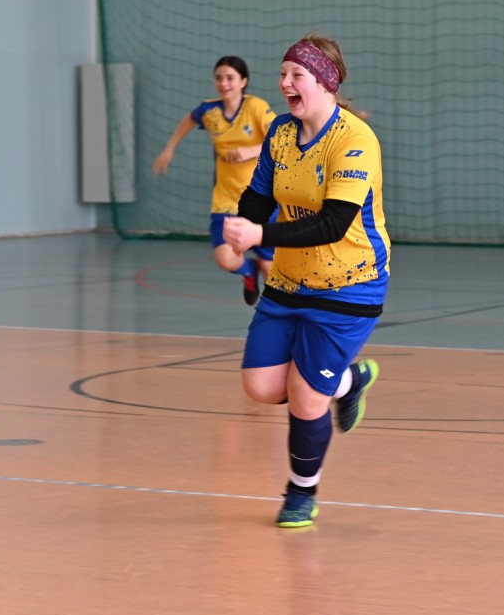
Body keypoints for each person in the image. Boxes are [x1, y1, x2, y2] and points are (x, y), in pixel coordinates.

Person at [223, 33, 390, 528]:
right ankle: (349, 380)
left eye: (297, 74)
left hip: (349, 284)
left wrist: (261, 234)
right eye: (282, 74)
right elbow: (259, 195)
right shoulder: (281, 132)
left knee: (305, 395)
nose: (285, 83)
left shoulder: (355, 140)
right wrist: (242, 225)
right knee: (260, 386)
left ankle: (301, 492)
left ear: (326, 82)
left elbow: (333, 224)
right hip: (290, 281)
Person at [153, 56, 276, 305]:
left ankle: (276, 319)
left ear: (243, 81)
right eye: (219, 78)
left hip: (262, 198)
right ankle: (248, 271)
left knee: (271, 271)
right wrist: (170, 148)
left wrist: (250, 151)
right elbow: (190, 119)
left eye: (230, 78)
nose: (224, 83)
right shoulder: (209, 111)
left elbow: (279, 140)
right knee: (225, 258)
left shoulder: (256, 107)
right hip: (226, 200)